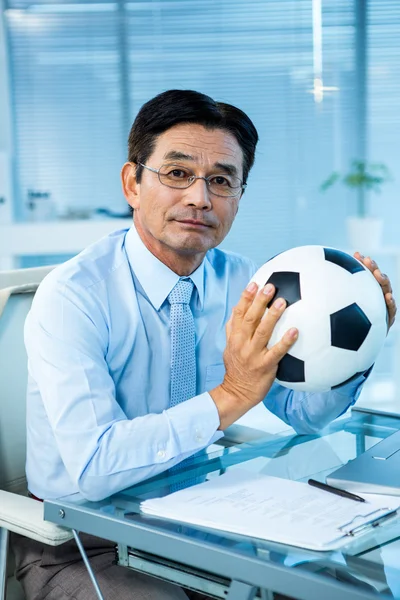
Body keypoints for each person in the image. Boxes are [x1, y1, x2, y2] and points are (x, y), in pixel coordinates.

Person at [11, 89, 396, 600]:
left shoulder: (245, 279)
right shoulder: (73, 296)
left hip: (201, 521)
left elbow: (303, 414)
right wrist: (232, 394)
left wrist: (357, 347)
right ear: (132, 183)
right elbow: (95, 468)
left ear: (238, 197)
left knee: (341, 587)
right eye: (177, 174)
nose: (199, 197)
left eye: (221, 180)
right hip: (81, 541)